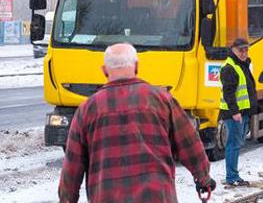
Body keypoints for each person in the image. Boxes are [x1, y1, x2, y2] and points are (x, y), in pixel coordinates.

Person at [58, 43, 214, 203]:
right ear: (137, 66)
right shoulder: (161, 100)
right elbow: (189, 145)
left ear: (104, 70)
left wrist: (66, 199)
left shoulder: (88, 109)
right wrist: (203, 179)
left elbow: (72, 167)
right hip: (156, 197)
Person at [221, 38, 258, 187]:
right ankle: (231, 176)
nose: (244, 53)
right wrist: (235, 112)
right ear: (233, 50)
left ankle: (234, 175)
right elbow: (228, 93)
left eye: (246, 50)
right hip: (234, 114)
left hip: (242, 112)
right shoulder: (229, 67)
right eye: (240, 50)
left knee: (236, 144)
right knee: (233, 144)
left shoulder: (242, 65)